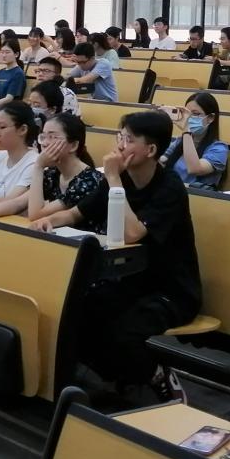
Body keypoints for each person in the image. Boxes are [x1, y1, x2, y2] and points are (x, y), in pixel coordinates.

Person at [30, 110, 200, 402]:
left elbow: (133, 233)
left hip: (172, 291)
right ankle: (122, 377)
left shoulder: (169, 186)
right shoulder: (119, 178)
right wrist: (48, 221)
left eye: (129, 140)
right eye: (120, 137)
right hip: (130, 282)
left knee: (123, 332)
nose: (120, 146)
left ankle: (158, 374)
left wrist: (112, 178)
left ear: (151, 150)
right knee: (77, 313)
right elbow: (75, 213)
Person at [0, 113, 102, 224]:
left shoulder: (88, 180)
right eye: (43, 137)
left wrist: (38, 167)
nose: (44, 143)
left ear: (73, 146)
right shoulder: (53, 174)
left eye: (52, 137)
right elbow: (18, 203)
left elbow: (36, 215)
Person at [159, 92, 229, 188]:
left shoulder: (219, 148)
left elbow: (195, 169)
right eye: (187, 114)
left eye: (195, 114)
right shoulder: (179, 142)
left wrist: (186, 131)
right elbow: (159, 162)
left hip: (196, 196)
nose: (189, 118)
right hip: (170, 190)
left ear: (210, 118)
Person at [0, 41, 27, 111]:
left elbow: (9, 98)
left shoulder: (18, 73)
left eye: (7, 52)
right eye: (2, 52)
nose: (4, 55)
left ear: (16, 54)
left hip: (8, 110)